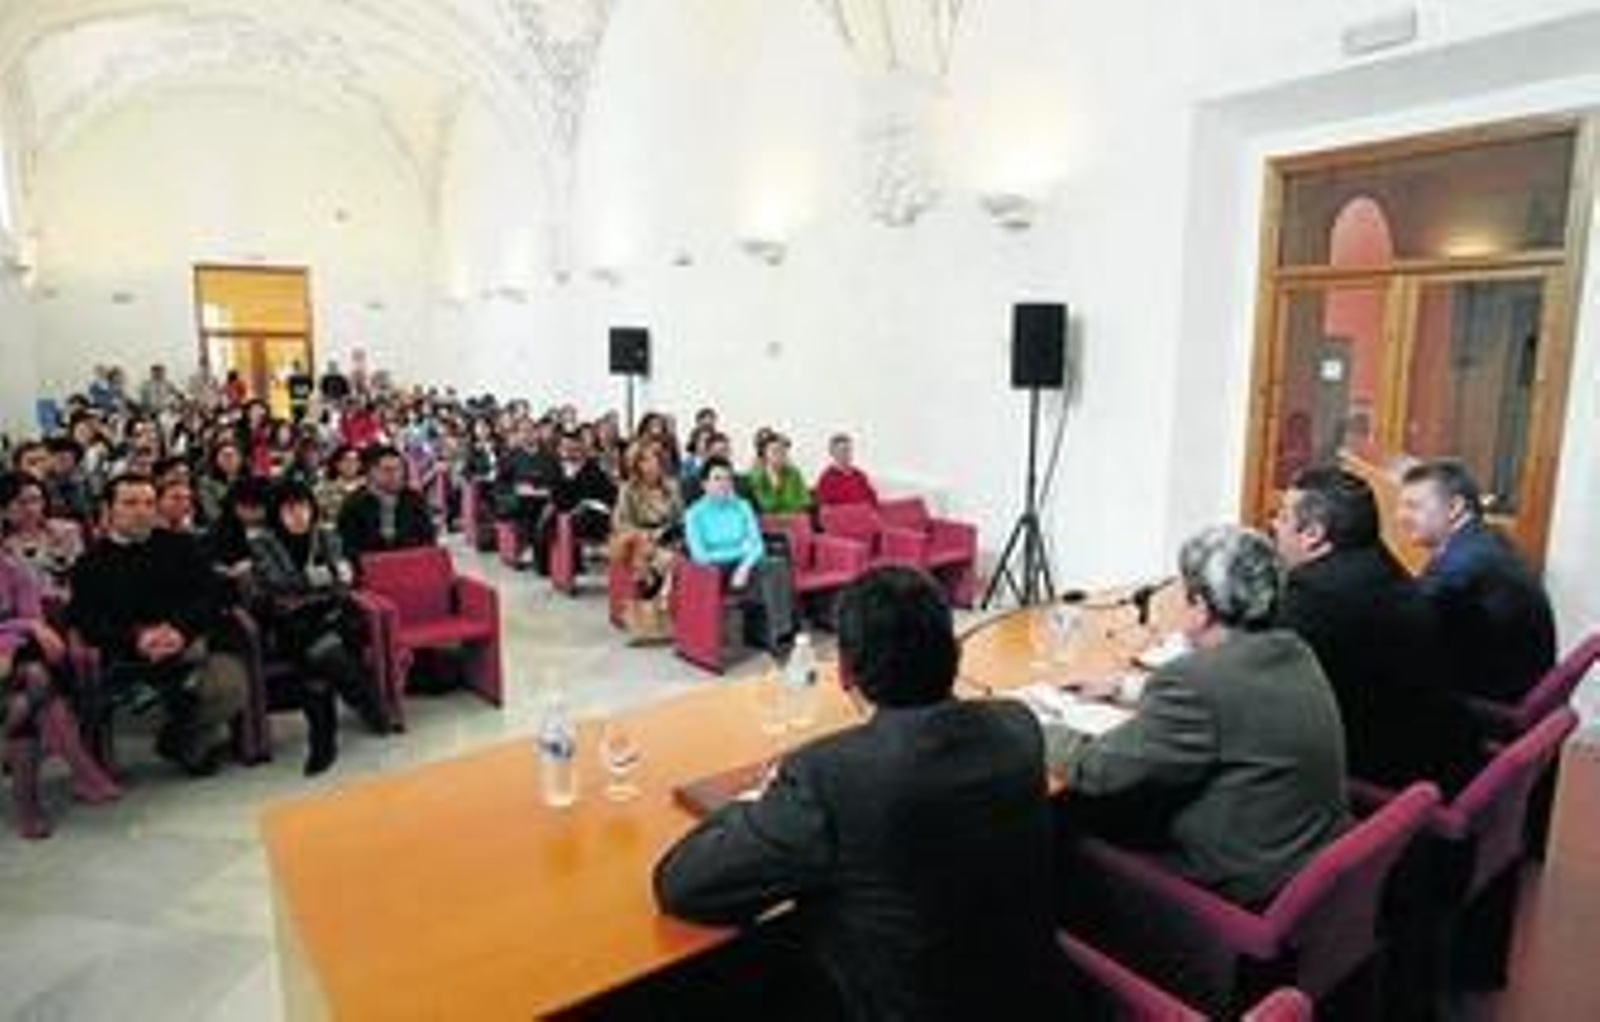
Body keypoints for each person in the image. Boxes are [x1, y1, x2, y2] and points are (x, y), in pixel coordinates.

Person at [655, 567, 1085, 1021]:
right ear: (955, 654)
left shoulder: (828, 776)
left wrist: (759, 797)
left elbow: (682, 885)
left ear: (843, 671)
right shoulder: (1018, 726)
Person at [1049, 525, 1350, 908]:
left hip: (1234, 889)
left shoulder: (1195, 682)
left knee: (1059, 812)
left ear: (1201, 608)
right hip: (1296, 862)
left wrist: (1032, 726)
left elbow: (1097, 770)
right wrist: (1126, 689)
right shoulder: (1293, 650)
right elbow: (1235, 703)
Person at [1272, 467, 1483, 794]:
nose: (1274, 525)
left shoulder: (1314, 594)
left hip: (1394, 783)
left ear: (1312, 533)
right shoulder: (1381, 565)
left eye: (1283, 517)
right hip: (1448, 757)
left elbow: (1261, 688)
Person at [68, 475, 250, 777]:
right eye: (130, 503)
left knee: (231, 686)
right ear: (108, 509)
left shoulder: (182, 546)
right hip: (130, 657)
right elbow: (87, 621)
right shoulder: (90, 563)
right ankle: (190, 742)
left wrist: (179, 630)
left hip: (190, 645)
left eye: (149, 503)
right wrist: (138, 638)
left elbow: (212, 595)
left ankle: (177, 739)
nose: (141, 511)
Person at [246, 482, 390, 774]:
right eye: (289, 509)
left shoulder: (326, 534)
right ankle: (362, 697)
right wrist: (324, 577)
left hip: (331, 614)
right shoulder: (262, 542)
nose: (298, 515)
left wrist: (313, 581)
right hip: (290, 622)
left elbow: (346, 577)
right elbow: (278, 583)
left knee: (319, 658)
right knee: (321, 650)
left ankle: (323, 738)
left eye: (303, 507)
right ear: (277, 513)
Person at [1396, 459, 1557, 704]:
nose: (1401, 516)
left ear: (1455, 507)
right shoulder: (1482, 539)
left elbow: (1405, 618)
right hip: (1507, 682)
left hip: (1496, 701)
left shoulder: (1464, 564)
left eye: (1413, 506)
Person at [3, 547, 122, 838]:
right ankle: (78, 775)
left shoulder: (14, 570)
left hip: (12, 661)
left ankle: (29, 805)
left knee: (30, 690)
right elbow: (28, 623)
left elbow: (32, 616)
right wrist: (23, 628)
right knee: (34, 685)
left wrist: (17, 635)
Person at [683, 458, 794, 653]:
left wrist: (744, 567)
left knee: (776, 565)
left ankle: (778, 635)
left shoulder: (743, 506)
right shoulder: (694, 513)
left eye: (728, 479)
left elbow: (757, 545)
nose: (724, 484)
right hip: (714, 571)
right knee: (765, 574)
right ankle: (769, 631)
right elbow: (700, 556)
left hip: (744, 567)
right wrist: (740, 550)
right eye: (717, 479)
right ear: (704, 484)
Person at [610, 444, 684, 642]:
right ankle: (651, 616)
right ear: (637, 465)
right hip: (639, 539)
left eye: (656, 459)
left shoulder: (672, 487)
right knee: (662, 560)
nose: (653, 465)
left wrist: (668, 531)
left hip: (668, 536)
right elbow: (620, 522)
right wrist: (647, 534)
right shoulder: (628, 489)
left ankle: (668, 610)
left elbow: (681, 516)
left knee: (680, 558)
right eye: (646, 460)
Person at [336, 444, 436, 565]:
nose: (395, 475)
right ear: (372, 472)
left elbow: (428, 540)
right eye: (387, 470)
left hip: (411, 564)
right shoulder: (354, 504)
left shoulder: (414, 500)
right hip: (371, 566)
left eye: (399, 469)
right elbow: (350, 548)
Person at [537, 430, 617, 576]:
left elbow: (609, 492)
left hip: (596, 513)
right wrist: (569, 477)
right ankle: (556, 565)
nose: (570, 452)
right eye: (566, 448)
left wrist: (601, 503)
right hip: (567, 513)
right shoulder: (556, 468)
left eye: (574, 448)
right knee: (549, 521)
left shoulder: (592, 467)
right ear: (560, 450)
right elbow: (558, 498)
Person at [0, 472, 85, 603]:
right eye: (21, 502)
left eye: (36, 500)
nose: (31, 509)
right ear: (4, 509)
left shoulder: (66, 531)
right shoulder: (4, 546)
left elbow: (82, 574)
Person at [747, 434, 812, 516]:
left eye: (783, 451)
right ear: (765, 453)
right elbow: (765, 505)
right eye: (775, 451)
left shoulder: (794, 473)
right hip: (767, 520)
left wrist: (793, 510)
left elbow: (805, 500)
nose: (779, 455)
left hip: (794, 518)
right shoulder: (757, 476)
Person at [814, 433, 880, 507]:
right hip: (842, 513)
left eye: (848, 450)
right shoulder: (827, 478)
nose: (846, 454)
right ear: (833, 453)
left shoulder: (859, 475)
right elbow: (825, 506)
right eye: (842, 450)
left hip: (864, 512)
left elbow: (873, 500)